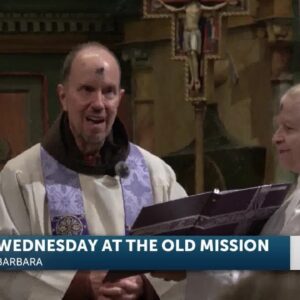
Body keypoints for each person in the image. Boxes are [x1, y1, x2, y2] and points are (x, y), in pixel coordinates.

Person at [0, 42, 187, 300]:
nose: (98, 103)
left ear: (119, 99)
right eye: (87, 90)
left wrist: (145, 285)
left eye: (108, 92)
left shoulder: (157, 174)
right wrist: (79, 286)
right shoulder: (22, 176)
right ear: (63, 97)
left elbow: (185, 256)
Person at [185, 83, 300, 299]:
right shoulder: (293, 194)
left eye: (289, 128)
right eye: (277, 127)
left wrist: (194, 261)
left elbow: (278, 282)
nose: (276, 137)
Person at [157, 0, 229, 92]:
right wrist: (163, 4)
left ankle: (196, 79)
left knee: (193, 53)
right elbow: (174, 10)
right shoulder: (186, 6)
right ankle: (192, 79)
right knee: (188, 55)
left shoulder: (199, 6)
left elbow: (213, 8)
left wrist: (225, 3)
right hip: (186, 32)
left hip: (195, 32)